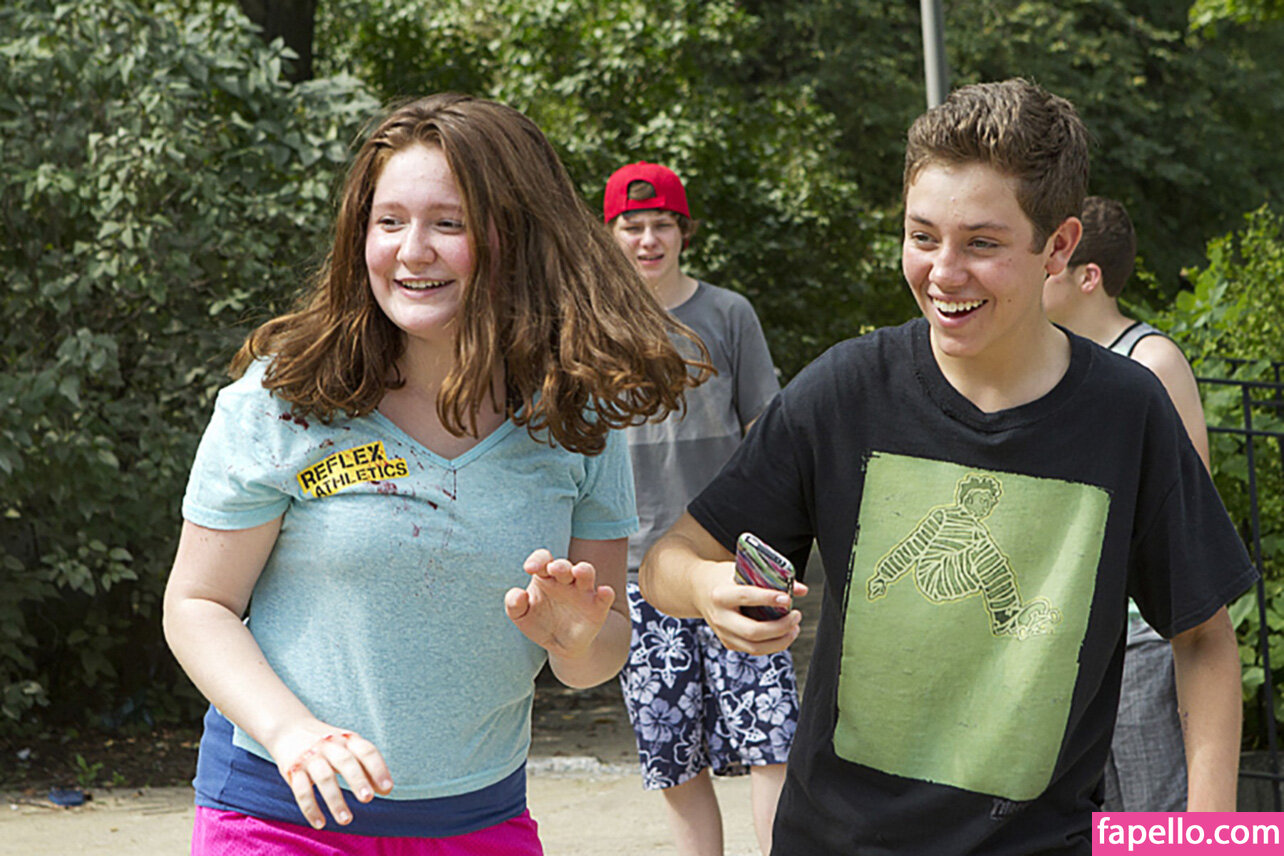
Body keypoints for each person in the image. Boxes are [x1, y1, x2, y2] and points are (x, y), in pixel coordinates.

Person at [639, 79, 1255, 854]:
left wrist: (1211, 836)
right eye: (922, 236)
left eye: (982, 244)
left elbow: (1203, 638)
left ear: (1059, 247)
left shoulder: (1127, 413)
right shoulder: (844, 389)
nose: (943, 272)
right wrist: (707, 587)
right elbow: (667, 560)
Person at [162, 93, 709, 854]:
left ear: (517, 237)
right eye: (388, 222)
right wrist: (292, 734)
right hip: (279, 819)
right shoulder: (283, 398)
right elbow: (198, 603)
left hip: (480, 823)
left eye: (449, 224)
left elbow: (599, 653)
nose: (412, 251)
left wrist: (576, 640)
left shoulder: (574, 418)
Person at [603, 162, 799, 856]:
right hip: (634, 573)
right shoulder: (592, 325)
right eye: (632, 226)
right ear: (611, 235)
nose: (648, 240)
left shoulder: (728, 314)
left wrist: (776, 545)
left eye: (661, 225)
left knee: (772, 742)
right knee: (674, 761)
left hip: (735, 564)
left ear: (683, 233)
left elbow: (768, 435)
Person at [1043, 195, 1210, 812]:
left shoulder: (1152, 361)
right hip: (1069, 633)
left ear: (1089, 276)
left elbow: (1190, 510)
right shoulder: (1055, 361)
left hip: (1140, 634)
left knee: (1150, 814)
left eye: (1054, 264)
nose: (1039, 273)